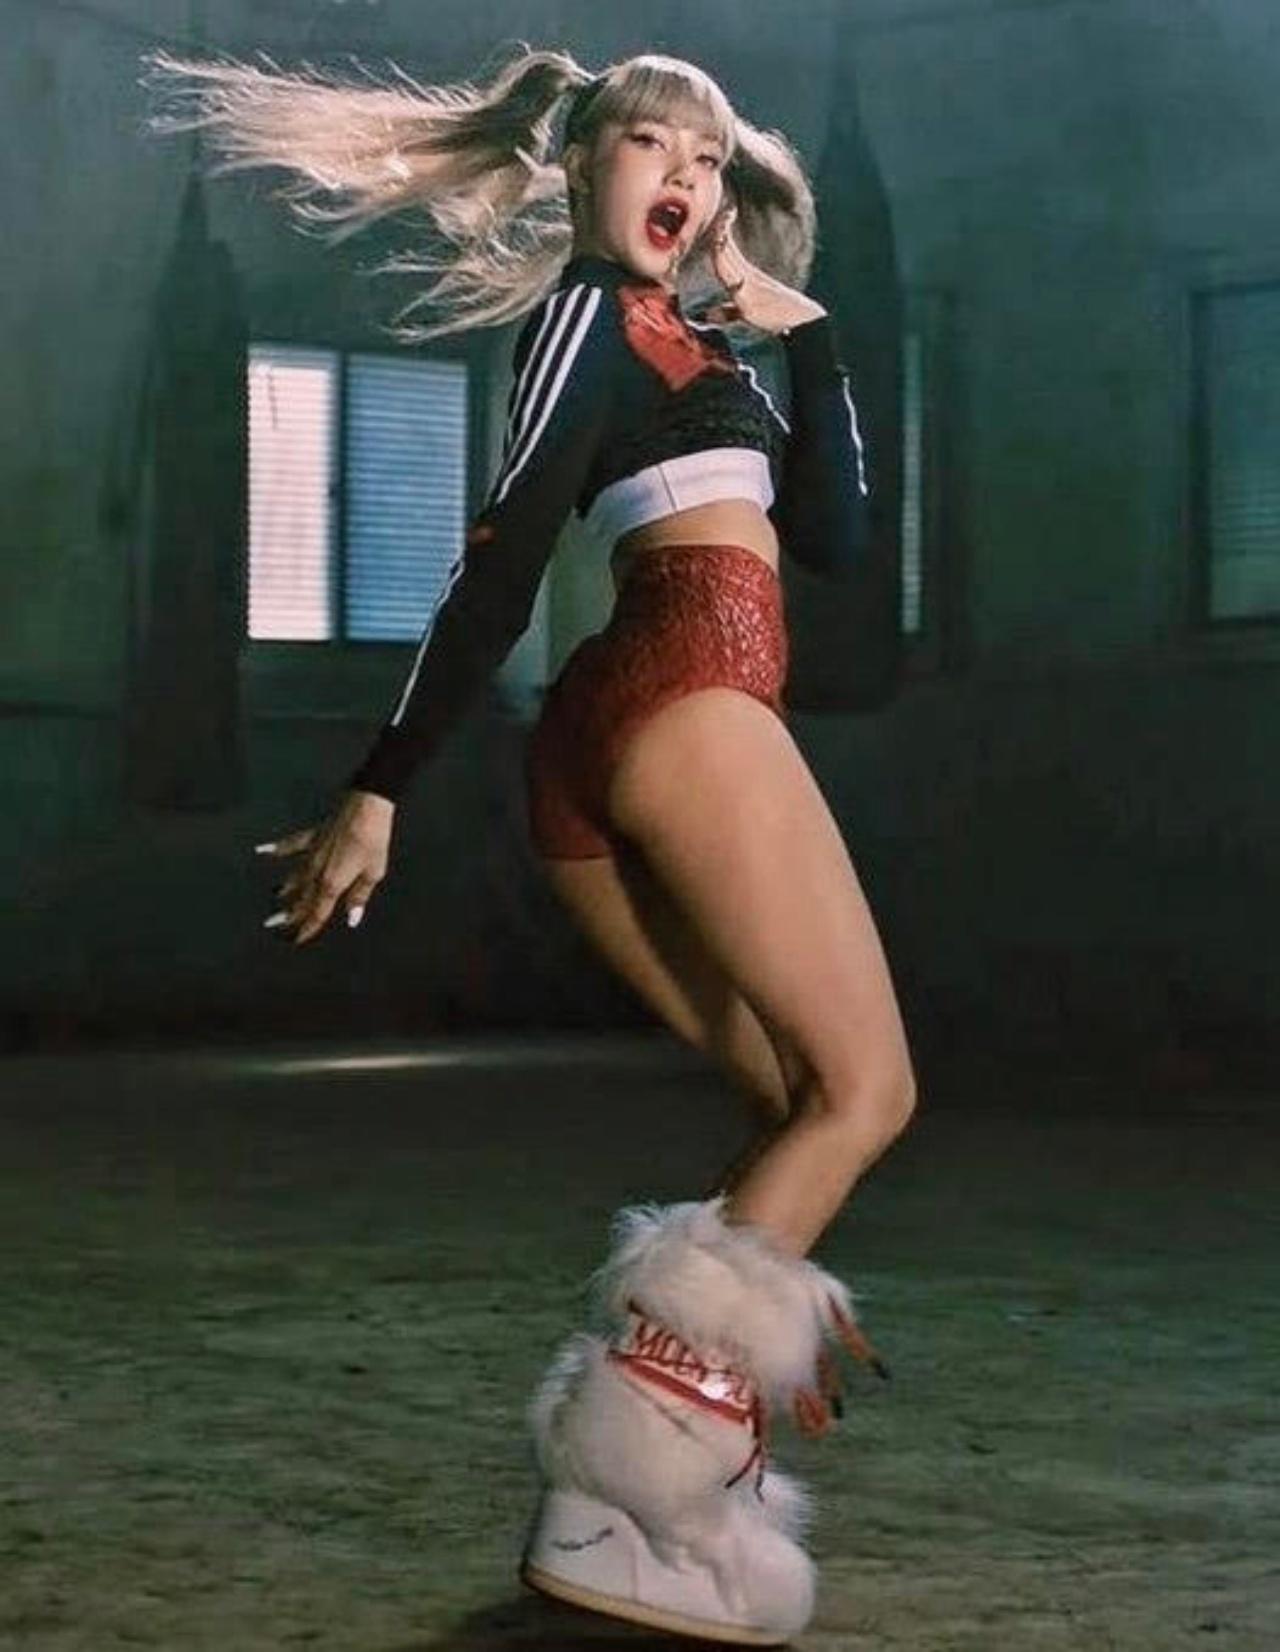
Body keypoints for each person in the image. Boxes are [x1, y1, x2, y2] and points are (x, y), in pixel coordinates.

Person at [143, 43, 918, 1643]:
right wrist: (382, 783)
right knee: (871, 1094)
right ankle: (645, 1463)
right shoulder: (585, 319)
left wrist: (813, 333)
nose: (681, 175)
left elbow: (842, 544)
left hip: (635, 726)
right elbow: (497, 558)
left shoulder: (706, 348)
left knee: (799, 1104)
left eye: (704, 157)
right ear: (580, 165)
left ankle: (636, 1495)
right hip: (681, 693)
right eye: (648, 143)